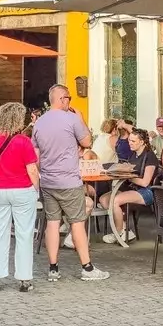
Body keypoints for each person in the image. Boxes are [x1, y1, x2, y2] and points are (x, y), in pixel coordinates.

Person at [34, 84, 104, 281]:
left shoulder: (39, 122)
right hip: (69, 180)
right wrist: (80, 117)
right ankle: (87, 268)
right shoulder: (72, 119)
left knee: (53, 224)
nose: (69, 102)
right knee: (77, 223)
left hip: (48, 180)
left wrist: (44, 172)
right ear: (63, 99)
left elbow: (36, 154)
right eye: (69, 98)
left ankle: (53, 268)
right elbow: (87, 142)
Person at [0, 101, 39, 292]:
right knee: (24, 234)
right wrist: (35, 189)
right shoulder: (24, 141)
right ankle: (24, 279)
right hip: (23, 190)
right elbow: (32, 169)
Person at [103, 127, 161, 245]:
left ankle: (118, 233)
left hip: (147, 191)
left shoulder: (149, 156)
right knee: (104, 199)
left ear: (142, 142)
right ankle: (124, 230)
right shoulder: (133, 155)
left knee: (115, 200)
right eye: (129, 140)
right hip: (132, 188)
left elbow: (145, 182)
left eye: (133, 141)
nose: (130, 143)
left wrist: (128, 177)